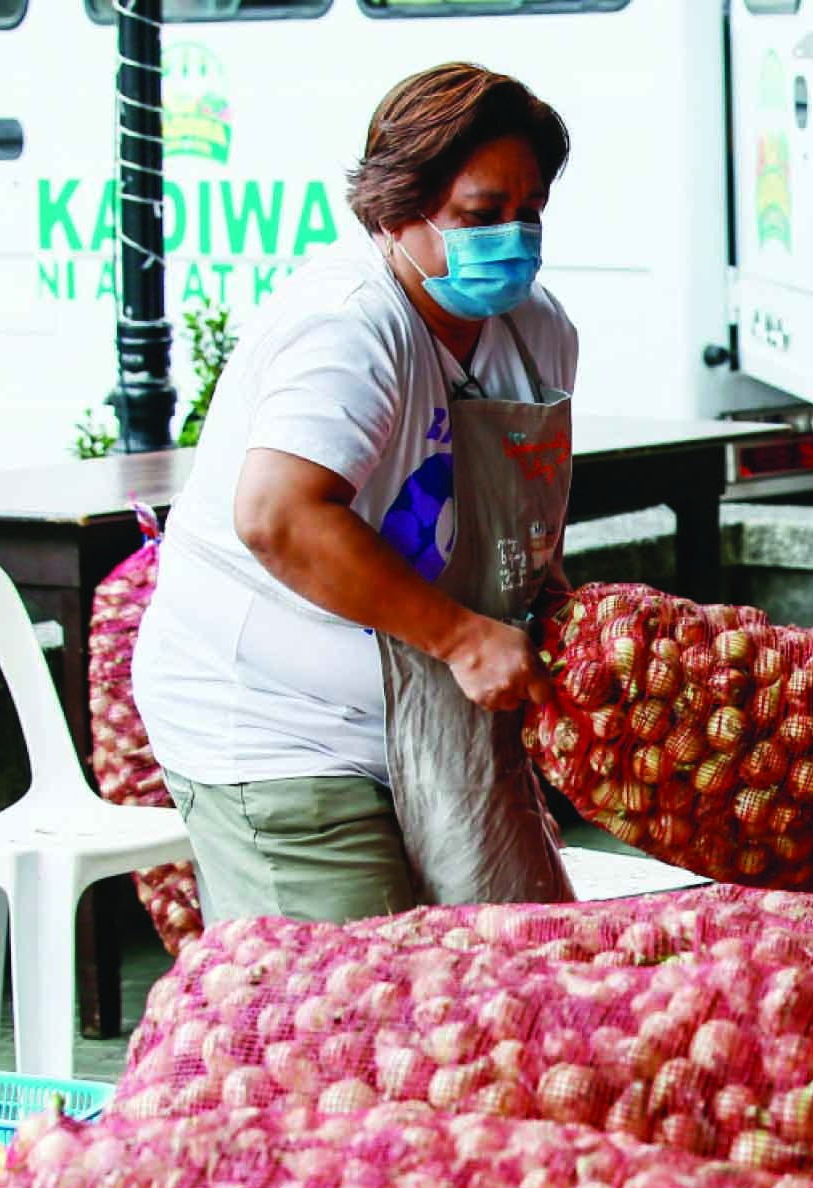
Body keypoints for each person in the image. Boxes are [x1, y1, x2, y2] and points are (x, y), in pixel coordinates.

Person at [133, 64, 579, 923]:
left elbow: (523, 503)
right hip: (278, 721)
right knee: (339, 1005)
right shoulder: (350, 325)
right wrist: (460, 637)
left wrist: (551, 602)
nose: (514, 240)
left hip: (436, 714)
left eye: (530, 214)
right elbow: (281, 518)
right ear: (394, 212)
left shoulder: (540, 330)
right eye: (482, 217)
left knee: (500, 969)